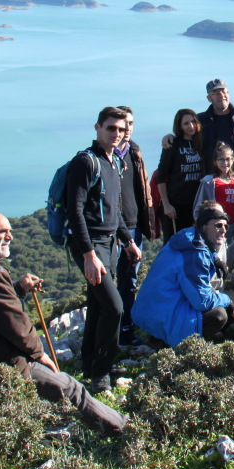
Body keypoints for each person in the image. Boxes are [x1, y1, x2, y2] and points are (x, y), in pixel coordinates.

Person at [0, 212, 126, 434]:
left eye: (11, 232)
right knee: (70, 387)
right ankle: (122, 429)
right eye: (3, 232)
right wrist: (39, 355)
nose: (10, 238)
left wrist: (18, 289)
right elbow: (18, 326)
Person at [67, 107, 141, 394]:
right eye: (111, 128)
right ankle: (101, 374)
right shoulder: (86, 162)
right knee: (115, 307)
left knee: (98, 306)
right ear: (97, 128)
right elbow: (75, 212)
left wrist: (128, 240)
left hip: (110, 244)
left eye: (121, 130)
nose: (116, 134)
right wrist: (88, 255)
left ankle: (90, 363)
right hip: (91, 246)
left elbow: (115, 211)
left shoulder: (114, 162)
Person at [133, 204, 234, 346]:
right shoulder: (195, 254)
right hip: (163, 314)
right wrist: (229, 303)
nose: (223, 230)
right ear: (203, 226)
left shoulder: (189, 239)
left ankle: (165, 336)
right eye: (218, 225)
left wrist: (215, 258)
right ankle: (172, 343)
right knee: (219, 315)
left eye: (225, 226)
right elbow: (202, 301)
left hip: (156, 309)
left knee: (228, 310)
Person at [161, 79, 234, 184]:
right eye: (216, 93)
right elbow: (187, 135)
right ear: (209, 98)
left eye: (224, 91)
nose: (221, 95)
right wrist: (171, 136)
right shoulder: (201, 120)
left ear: (228, 94)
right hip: (211, 184)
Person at [114, 106, 155, 347]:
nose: (127, 129)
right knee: (110, 282)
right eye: (121, 125)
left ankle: (126, 330)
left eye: (130, 124)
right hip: (110, 231)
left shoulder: (134, 153)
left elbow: (144, 189)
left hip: (134, 227)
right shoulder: (103, 156)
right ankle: (111, 331)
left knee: (129, 280)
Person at [193, 143, 234, 268]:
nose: (225, 163)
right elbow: (198, 208)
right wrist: (205, 227)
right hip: (217, 229)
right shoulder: (209, 181)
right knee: (220, 258)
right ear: (215, 162)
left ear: (233, 160)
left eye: (228, 159)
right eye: (221, 159)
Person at [156, 108, 205, 242]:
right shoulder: (173, 145)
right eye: (186, 123)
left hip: (196, 205)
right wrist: (166, 205)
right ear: (179, 126)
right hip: (175, 206)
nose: (191, 126)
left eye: (193, 122)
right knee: (173, 245)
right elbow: (161, 177)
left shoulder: (201, 143)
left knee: (194, 245)